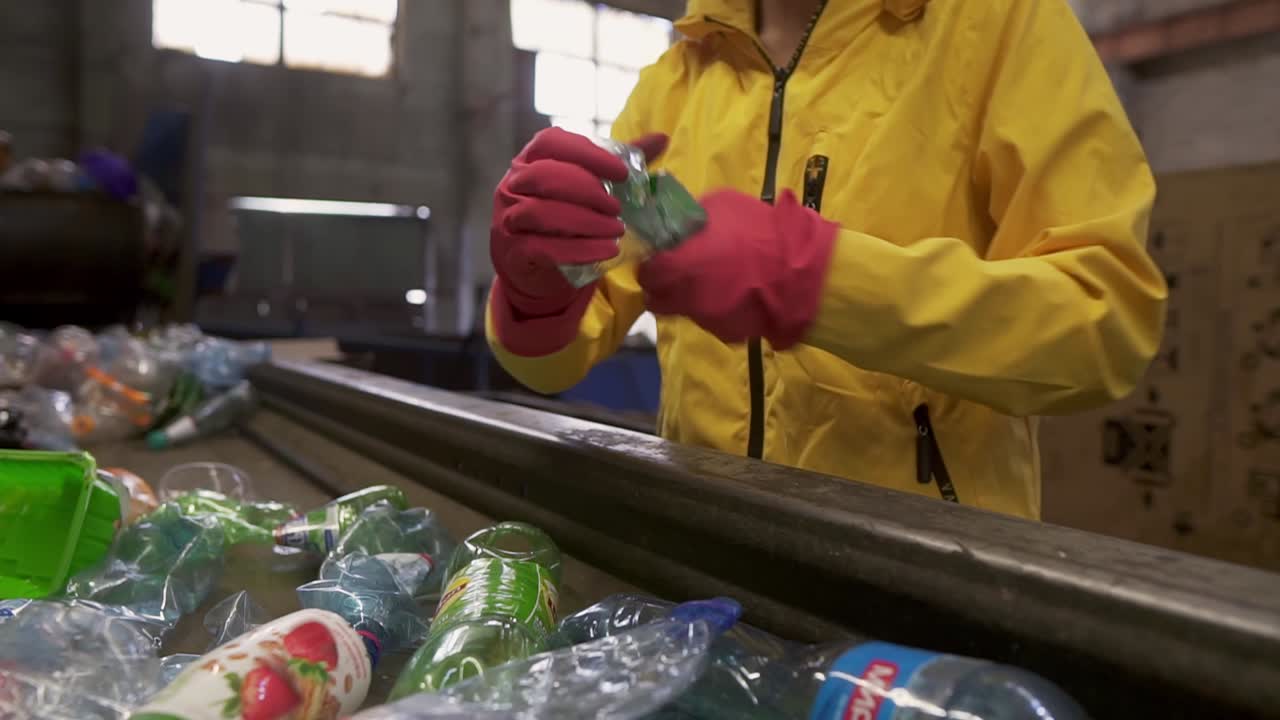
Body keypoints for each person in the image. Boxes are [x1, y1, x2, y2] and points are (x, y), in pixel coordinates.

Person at [484, 0, 1168, 519]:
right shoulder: (678, 76)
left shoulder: (997, 26)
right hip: (707, 548)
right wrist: (538, 293)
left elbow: (1103, 324)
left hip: (928, 570)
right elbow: (560, 356)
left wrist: (816, 278)